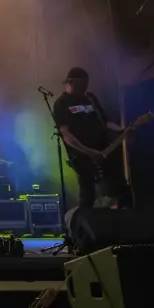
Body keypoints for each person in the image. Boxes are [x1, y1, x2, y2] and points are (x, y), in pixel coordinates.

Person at [53, 67, 132, 209]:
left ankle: (125, 214)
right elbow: (67, 135)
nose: (84, 89)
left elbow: (105, 122)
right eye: (81, 86)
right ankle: (85, 220)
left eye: (86, 85)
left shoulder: (90, 98)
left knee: (121, 188)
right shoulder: (61, 103)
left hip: (103, 150)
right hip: (82, 155)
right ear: (70, 82)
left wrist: (121, 130)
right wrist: (89, 152)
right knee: (88, 194)